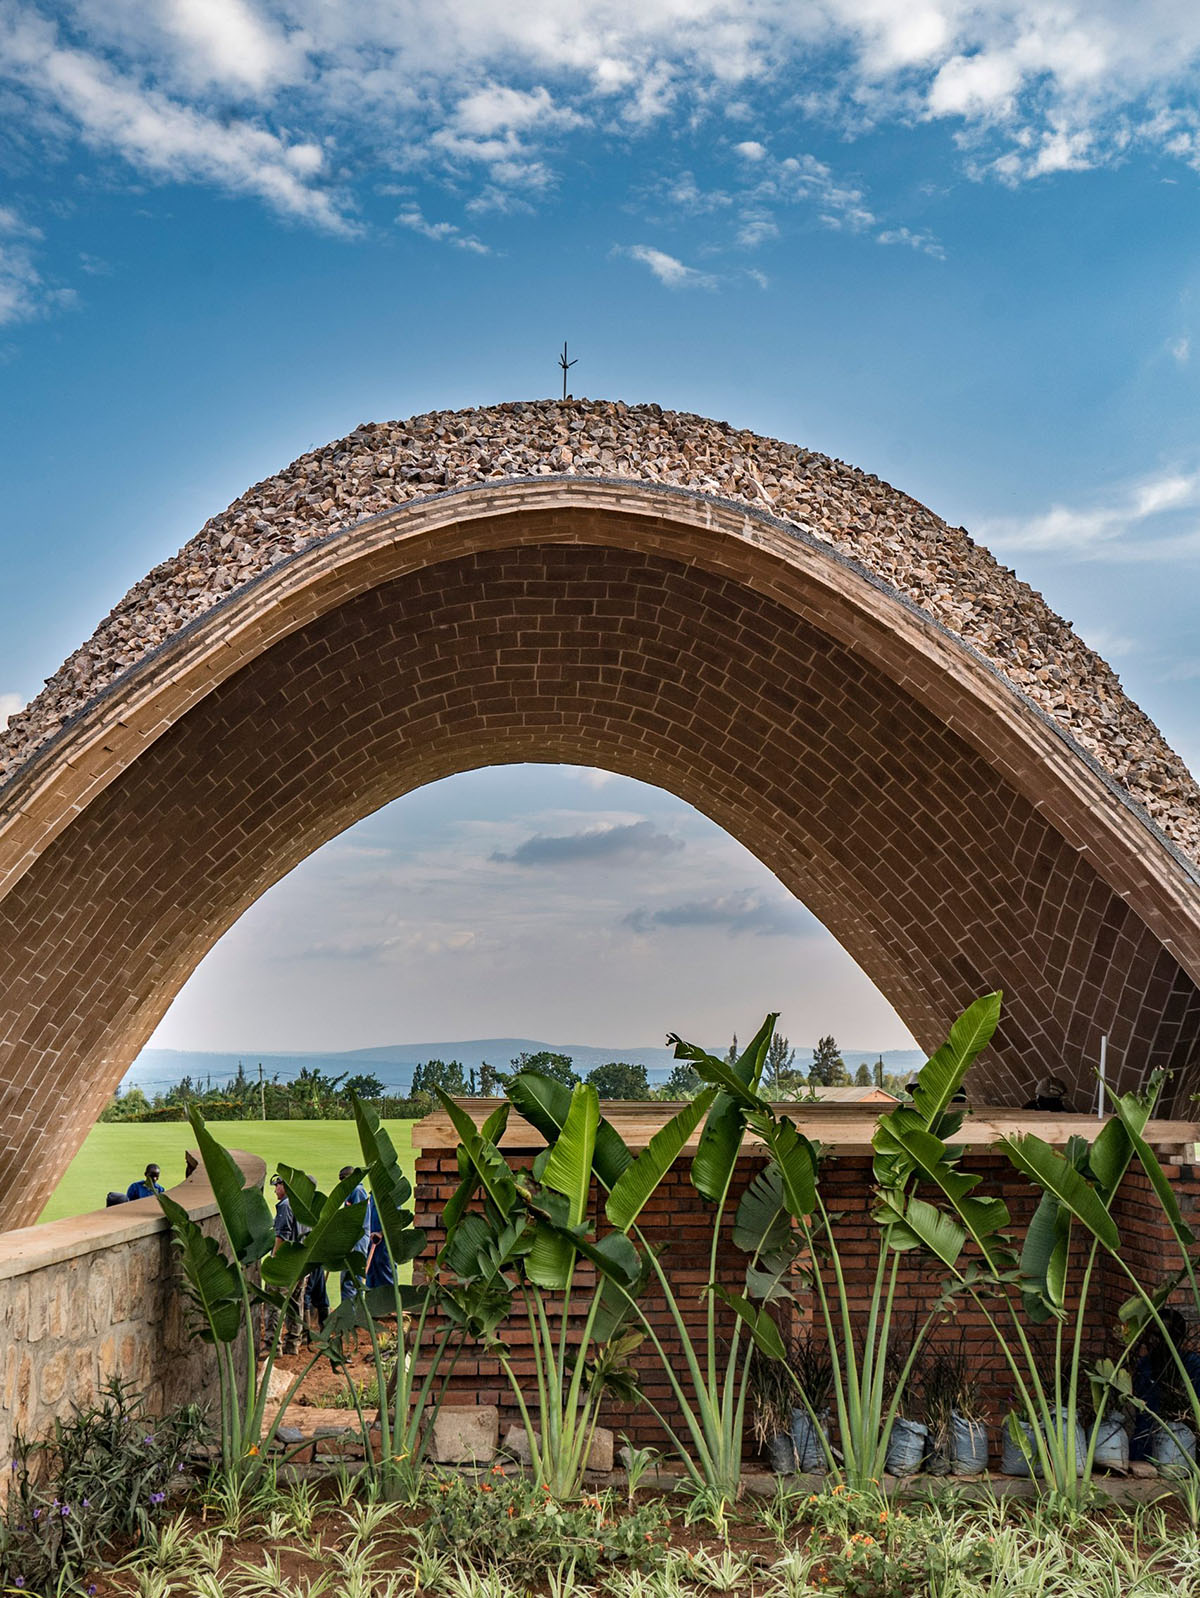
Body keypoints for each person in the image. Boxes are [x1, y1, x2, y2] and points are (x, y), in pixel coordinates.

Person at [1130, 1308, 1200, 1461]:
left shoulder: (1192, 1366)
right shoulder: (1145, 1365)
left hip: (1180, 1448)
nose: (1150, 1341)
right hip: (1143, 1447)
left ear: (1175, 1338)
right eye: (1149, 1334)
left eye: (1158, 1335)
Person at [262, 1175, 303, 1356]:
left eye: (277, 1186)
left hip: (285, 1266)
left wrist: (274, 1259)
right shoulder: (302, 1204)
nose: (275, 1190)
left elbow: (282, 1235)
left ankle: (273, 1346)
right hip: (302, 1264)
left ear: (284, 1186)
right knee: (295, 1304)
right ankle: (293, 1344)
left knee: (274, 1303)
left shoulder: (286, 1206)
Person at [339, 1166, 372, 1304]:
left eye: (342, 1180)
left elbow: (358, 1217)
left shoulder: (357, 1191)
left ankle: (352, 1314)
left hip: (357, 1239)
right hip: (355, 1238)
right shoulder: (353, 1191)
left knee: (351, 1278)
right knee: (348, 1277)